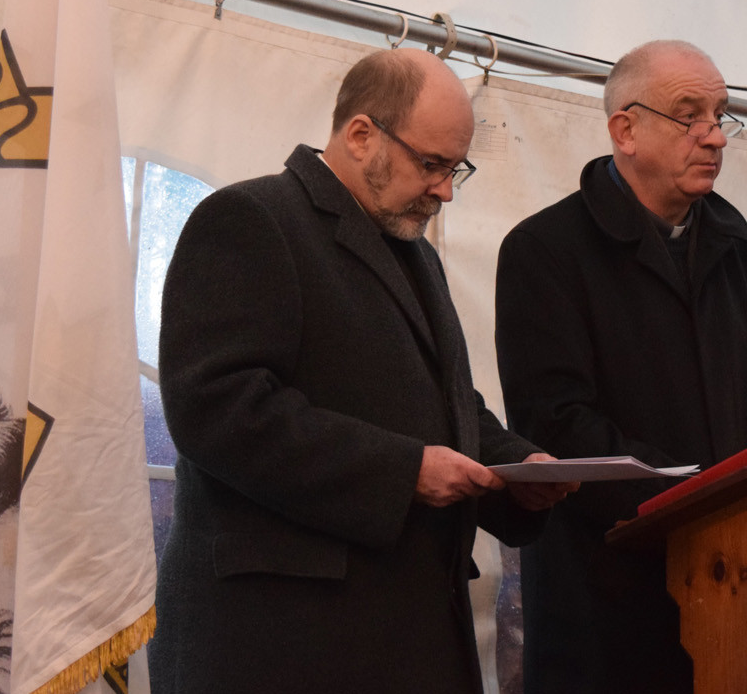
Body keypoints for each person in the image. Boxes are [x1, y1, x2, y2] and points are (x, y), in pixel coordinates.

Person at [150, 47, 573, 694]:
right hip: (282, 647)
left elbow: (447, 403)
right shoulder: (251, 220)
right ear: (360, 134)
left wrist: (517, 469)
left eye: (457, 167)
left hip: (406, 640)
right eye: (431, 164)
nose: (445, 189)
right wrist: (403, 473)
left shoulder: (411, 251)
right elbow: (218, 409)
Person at [494, 40, 747, 693]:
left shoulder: (742, 253)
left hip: (743, 596)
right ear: (625, 130)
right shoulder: (545, 251)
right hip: (611, 609)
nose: (716, 137)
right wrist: (700, 504)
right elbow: (557, 423)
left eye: (721, 115)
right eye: (689, 115)